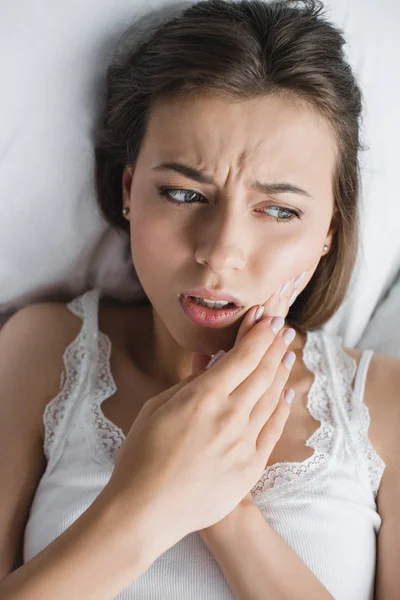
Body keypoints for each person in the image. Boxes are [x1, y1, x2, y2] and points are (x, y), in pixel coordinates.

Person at [0, 0, 399, 598]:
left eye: (279, 210)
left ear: (328, 233)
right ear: (130, 190)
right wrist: (149, 501)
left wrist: (225, 508)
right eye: (185, 194)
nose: (220, 253)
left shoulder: (384, 403)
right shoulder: (43, 348)